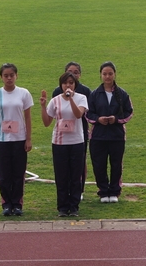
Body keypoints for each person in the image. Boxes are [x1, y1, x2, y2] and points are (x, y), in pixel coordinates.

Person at [0, 63, 33, 216]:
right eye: (6, 76)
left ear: (16, 76)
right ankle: (6, 204)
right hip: (2, 140)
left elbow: (28, 118)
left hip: (19, 139)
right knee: (4, 174)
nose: (9, 78)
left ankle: (17, 204)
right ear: (1, 77)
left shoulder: (24, 93)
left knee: (18, 173)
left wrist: (28, 139)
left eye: (11, 75)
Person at [41, 72, 88, 217]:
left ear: (75, 85)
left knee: (75, 175)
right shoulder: (55, 100)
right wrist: (43, 106)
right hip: (59, 142)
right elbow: (47, 122)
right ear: (61, 85)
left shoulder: (81, 98)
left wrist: (70, 99)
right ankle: (62, 207)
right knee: (61, 175)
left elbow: (78, 115)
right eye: (65, 83)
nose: (68, 85)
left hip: (76, 142)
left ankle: (74, 207)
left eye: (71, 83)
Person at [86, 61, 133, 203]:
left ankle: (114, 191)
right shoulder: (94, 94)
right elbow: (88, 113)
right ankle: (103, 191)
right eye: (105, 74)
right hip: (98, 137)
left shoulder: (122, 94)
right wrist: (98, 119)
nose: (107, 76)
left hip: (116, 136)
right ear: (100, 75)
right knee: (99, 165)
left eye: (110, 74)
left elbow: (129, 112)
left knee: (116, 164)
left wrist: (116, 119)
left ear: (114, 75)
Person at [52, 62, 92, 198]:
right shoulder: (57, 92)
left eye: (76, 72)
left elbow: (86, 113)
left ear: (79, 75)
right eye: (70, 71)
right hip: (62, 133)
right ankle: (65, 192)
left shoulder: (85, 92)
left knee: (79, 162)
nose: (73, 74)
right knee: (63, 164)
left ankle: (79, 190)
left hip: (79, 131)